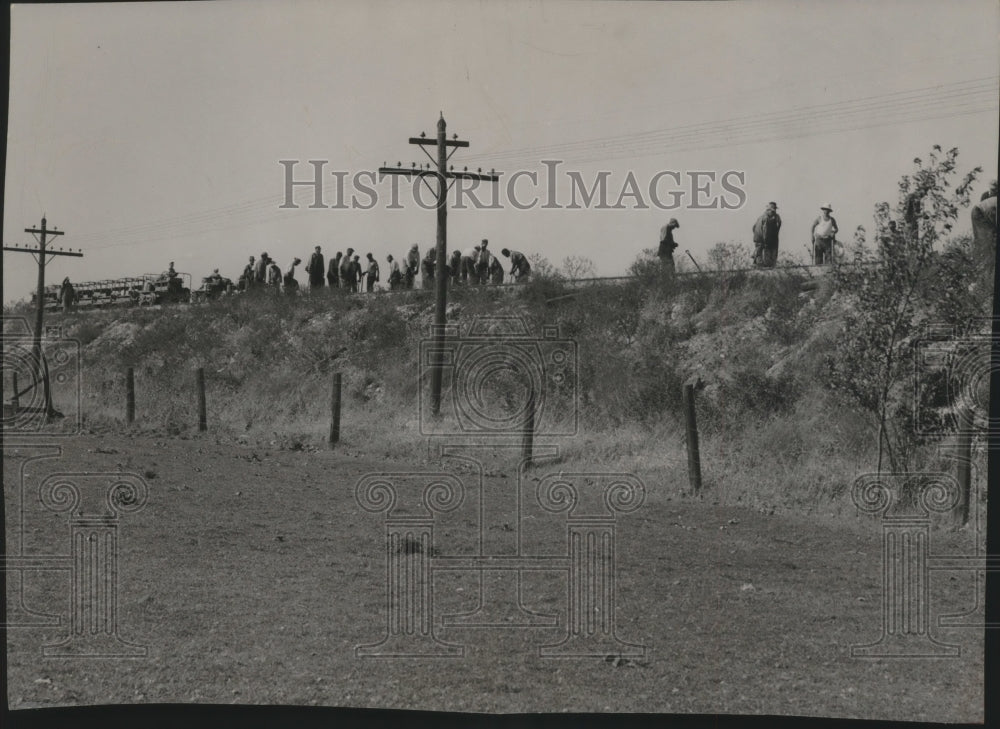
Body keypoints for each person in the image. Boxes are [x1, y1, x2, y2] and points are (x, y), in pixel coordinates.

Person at [752, 202, 782, 267]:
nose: (774, 212)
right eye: (773, 210)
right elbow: (766, 230)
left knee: (759, 250)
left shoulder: (761, 217)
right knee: (765, 250)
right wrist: (766, 240)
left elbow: (754, 227)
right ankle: (764, 264)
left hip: (758, 237)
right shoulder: (767, 218)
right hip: (762, 237)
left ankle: (756, 263)